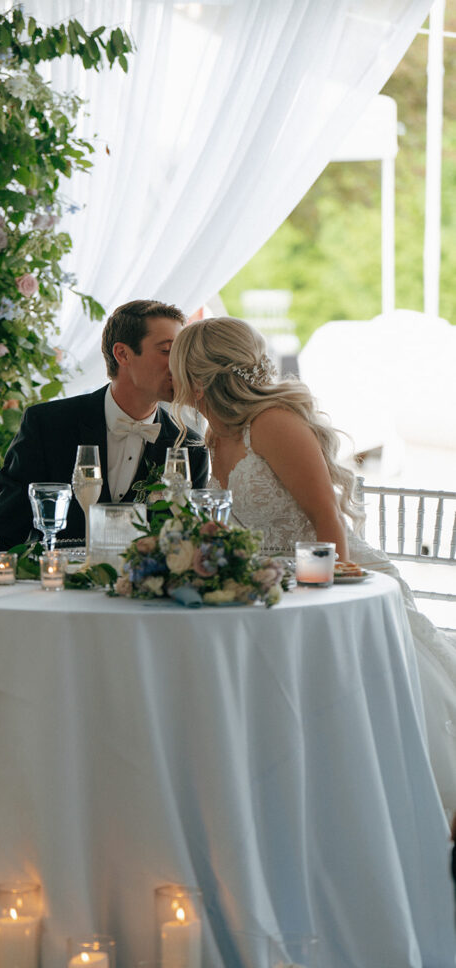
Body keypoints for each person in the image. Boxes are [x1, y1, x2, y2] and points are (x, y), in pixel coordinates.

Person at [169, 315, 456, 812]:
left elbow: (327, 515)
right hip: (260, 588)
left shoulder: (273, 424)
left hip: (321, 572)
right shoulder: (210, 435)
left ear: (197, 380)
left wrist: (323, 595)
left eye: (176, 368)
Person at [0, 299, 209, 548]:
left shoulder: (190, 448)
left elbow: (187, 547)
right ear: (122, 354)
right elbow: (3, 532)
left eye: (181, 354)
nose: (180, 364)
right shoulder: (47, 425)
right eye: (167, 351)